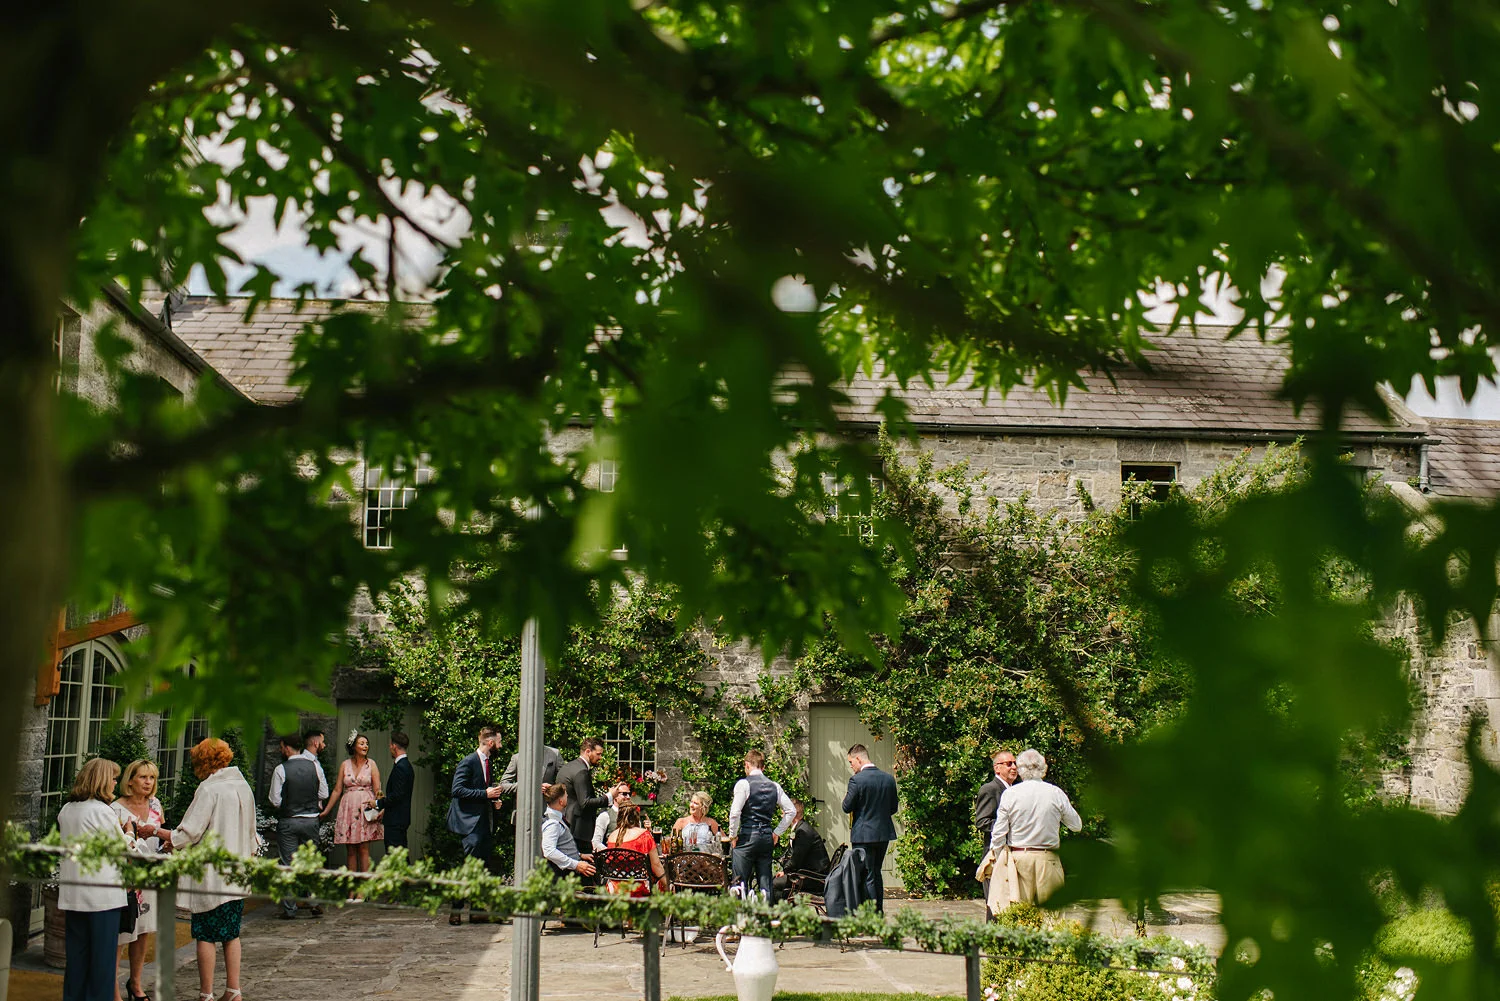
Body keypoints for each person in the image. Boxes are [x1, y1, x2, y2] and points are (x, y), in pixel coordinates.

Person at [171, 738, 257, 1001]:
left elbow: (190, 832)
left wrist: (166, 836)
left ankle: (206, 994)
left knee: (205, 935)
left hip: (211, 875)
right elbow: (253, 832)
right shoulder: (243, 787)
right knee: (232, 933)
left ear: (202, 761)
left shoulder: (209, 789)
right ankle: (233, 990)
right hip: (237, 872)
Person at [58, 758, 136, 1001]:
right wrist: (131, 833)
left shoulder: (67, 809)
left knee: (77, 961)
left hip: (74, 895)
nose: (115, 783)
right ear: (102, 780)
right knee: (102, 964)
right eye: (113, 778)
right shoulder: (101, 811)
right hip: (102, 897)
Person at [988, 748, 1082, 906]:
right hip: (1048, 858)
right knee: (1052, 918)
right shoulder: (1055, 793)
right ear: (1043, 768)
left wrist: (999, 859)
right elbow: (1076, 825)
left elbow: (998, 834)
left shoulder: (1011, 794)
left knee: (1021, 915)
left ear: (1020, 769)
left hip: (1019, 859)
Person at [112, 759, 172, 1001]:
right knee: (122, 933)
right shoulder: (115, 809)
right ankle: (112, 987)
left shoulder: (156, 804)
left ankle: (135, 984)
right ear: (130, 780)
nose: (148, 782)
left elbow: (161, 834)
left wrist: (167, 846)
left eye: (152, 778)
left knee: (144, 930)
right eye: (143, 777)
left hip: (152, 875)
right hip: (127, 878)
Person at [446, 723, 503, 924]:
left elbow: (483, 790)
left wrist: (493, 800)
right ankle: (456, 909)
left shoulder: (488, 762)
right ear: (490, 742)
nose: (501, 745)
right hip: (468, 822)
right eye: (499, 741)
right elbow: (457, 789)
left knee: (482, 866)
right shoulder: (469, 761)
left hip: (483, 821)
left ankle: (477, 910)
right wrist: (484, 794)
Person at [267, 732, 328, 919]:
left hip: (289, 819)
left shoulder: (280, 769)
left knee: (288, 864)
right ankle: (314, 901)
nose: (280, 750)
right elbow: (324, 793)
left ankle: (290, 908)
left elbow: (274, 800)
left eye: (281, 746)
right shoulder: (315, 767)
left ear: (286, 747)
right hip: (311, 820)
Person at [727, 750, 794, 903]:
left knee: (739, 881)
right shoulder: (774, 786)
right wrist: (777, 832)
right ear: (762, 766)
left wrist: (733, 835)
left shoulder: (743, 784)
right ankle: (767, 920)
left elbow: (735, 813)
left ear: (747, 764)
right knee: (765, 883)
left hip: (748, 836)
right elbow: (791, 811)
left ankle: (740, 918)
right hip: (766, 837)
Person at [842, 743, 899, 913]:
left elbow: (846, 806)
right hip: (882, 833)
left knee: (866, 874)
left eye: (851, 763)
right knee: (875, 873)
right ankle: (877, 911)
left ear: (859, 759)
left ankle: (872, 915)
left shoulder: (857, 780)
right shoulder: (888, 779)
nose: (851, 767)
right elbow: (893, 808)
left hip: (863, 835)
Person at [321, 730, 383, 876]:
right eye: (362, 743)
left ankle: (363, 890)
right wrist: (327, 810)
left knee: (363, 848)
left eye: (367, 744)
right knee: (350, 850)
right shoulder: (345, 765)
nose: (365, 746)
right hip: (348, 809)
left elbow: (378, 789)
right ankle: (352, 889)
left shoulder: (371, 764)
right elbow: (337, 790)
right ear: (353, 746)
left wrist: (381, 807)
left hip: (365, 808)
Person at [973, 748, 1018, 917]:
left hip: (1012, 854)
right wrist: (1008, 829)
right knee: (995, 904)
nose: (1013, 767)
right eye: (1008, 764)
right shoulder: (990, 789)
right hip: (995, 854)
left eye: (1015, 764)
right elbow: (982, 821)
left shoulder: (1016, 790)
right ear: (997, 768)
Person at [554, 738, 609, 871]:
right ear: (588, 751)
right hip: (579, 829)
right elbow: (585, 802)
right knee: (583, 873)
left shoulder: (569, 767)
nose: (600, 757)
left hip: (567, 822)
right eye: (598, 754)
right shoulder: (581, 771)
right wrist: (609, 797)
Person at [603, 804, 667, 895]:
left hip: (615, 888)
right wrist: (668, 884)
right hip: (637, 887)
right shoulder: (644, 835)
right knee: (661, 881)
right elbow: (656, 865)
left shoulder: (612, 836)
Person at [541, 782, 597, 878]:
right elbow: (549, 851)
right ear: (561, 801)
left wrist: (579, 854)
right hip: (559, 877)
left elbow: (561, 845)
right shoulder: (553, 823)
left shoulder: (556, 819)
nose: (567, 796)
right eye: (565, 795)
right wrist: (576, 865)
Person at [497, 741, 562, 823]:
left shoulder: (554, 754)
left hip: (548, 813)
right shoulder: (517, 758)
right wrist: (528, 786)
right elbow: (503, 785)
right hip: (523, 812)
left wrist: (552, 789)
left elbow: (565, 781)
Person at [376, 731, 415, 851]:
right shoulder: (405, 765)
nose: (389, 748)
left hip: (396, 821)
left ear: (394, 746)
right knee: (399, 855)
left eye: (390, 745)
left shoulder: (401, 767)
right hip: (398, 819)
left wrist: (378, 803)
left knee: (395, 856)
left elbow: (397, 795)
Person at [591, 782, 634, 851]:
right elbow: (595, 842)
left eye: (629, 794)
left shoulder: (633, 815)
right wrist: (610, 853)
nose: (628, 797)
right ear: (615, 796)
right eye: (625, 794)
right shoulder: (605, 815)